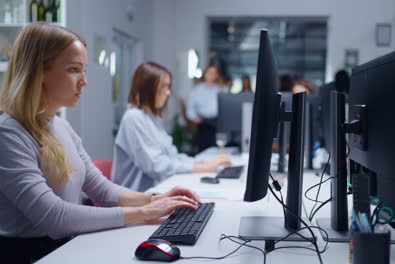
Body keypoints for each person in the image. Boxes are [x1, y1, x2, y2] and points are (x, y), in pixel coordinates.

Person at [0, 23, 200, 263]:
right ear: (38, 72)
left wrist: (155, 199)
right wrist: (143, 213)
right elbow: (54, 218)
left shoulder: (61, 126)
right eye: (74, 70)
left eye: (84, 70)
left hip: (64, 246)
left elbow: (102, 190)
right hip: (30, 255)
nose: (84, 81)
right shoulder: (9, 133)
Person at [112, 62, 231, 192]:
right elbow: (156, 166)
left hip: (157, 192)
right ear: (148, 88)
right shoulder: (134, 118)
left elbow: (172, 156)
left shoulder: (152, 118)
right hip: (139, 199)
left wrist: (202, 163)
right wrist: (204, 167)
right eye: (164, 86)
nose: (168, 93)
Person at [186, 65, 226, 152]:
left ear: (217, 75)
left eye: (214, 73)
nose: (211, 75)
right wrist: (193, 117)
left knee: (218, 148)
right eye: (209, 73)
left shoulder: (222, 89)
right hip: (203, 123)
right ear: (205, 74)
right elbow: (190, 106)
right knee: (203, 149)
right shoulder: (197, 89)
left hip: (218, 123)